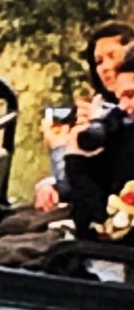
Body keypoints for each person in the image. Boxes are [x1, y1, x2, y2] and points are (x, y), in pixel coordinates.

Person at [34, 20, 134, 212]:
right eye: (98, 61)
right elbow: (76, 182)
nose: (105, 68)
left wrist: (60, 148)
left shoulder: (120, 120)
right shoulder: (99, 106)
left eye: (112, 56)